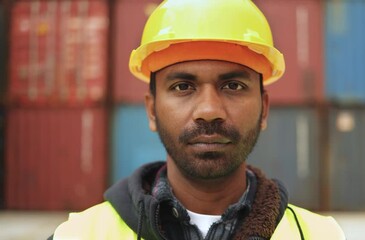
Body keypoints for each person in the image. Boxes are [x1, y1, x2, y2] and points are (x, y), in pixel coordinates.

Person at [50, 0, 345, 239]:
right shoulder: (79, 235)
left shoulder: (320, 235)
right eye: (183, 87)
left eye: (233, 86)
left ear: (264, 109)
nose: (209, 110)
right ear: (152, 110)